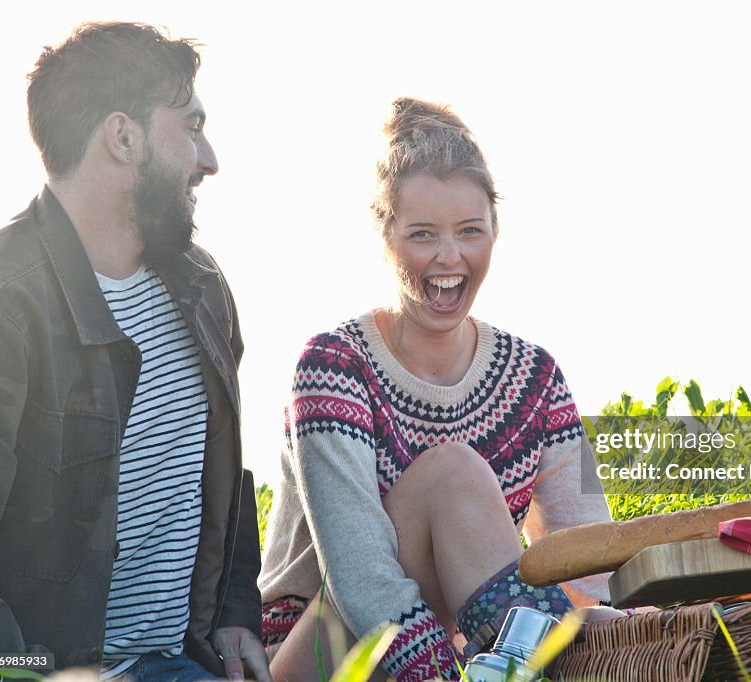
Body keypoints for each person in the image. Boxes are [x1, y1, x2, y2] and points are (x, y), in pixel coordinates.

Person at [258, 98, 621, 682]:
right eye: (423, 234)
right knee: (451, 473)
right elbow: (362, 578)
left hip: (471, 650)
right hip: (319, 654)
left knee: (598, 617)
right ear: (386, 235)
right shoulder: (331, 366)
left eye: (470, 232)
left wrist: (604, 631)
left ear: (496, 231)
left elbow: (587, 558)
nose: (449, 258)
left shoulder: (538, 377)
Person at [0, 22, 270, 682]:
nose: (209, 157)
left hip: (178, 663)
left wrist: (235, 613)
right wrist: (22, 675)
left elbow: (220, 473)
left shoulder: (202, 288)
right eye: (190, 127)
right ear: (123, 135)